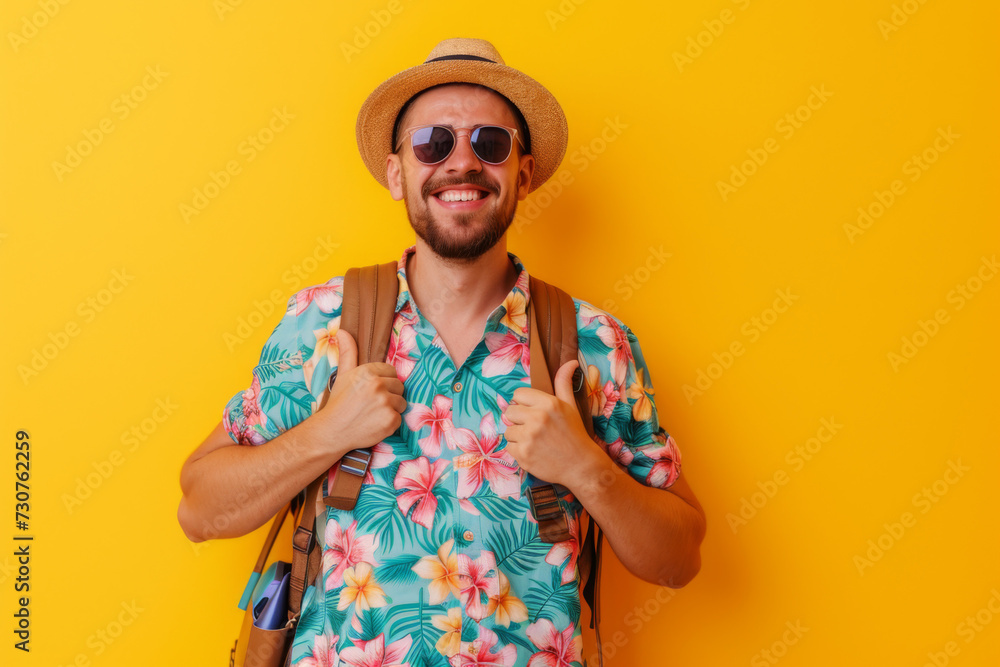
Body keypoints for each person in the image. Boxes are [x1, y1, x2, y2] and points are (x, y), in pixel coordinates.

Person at [178, 37, 705, 667]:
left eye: (491, 143)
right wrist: (326, 433)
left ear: (523, 172)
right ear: (397, 172)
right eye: (433, 143)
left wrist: (585, 468)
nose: (462, 163)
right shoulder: (327, 322)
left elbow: (679, 562)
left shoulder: (591, 342)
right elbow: (198, 509)